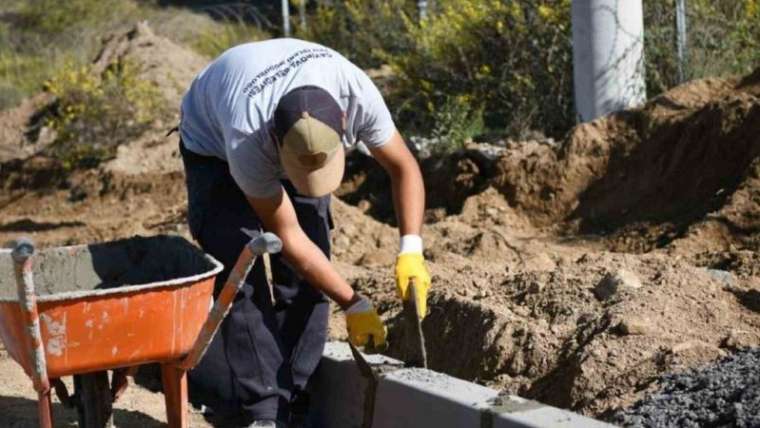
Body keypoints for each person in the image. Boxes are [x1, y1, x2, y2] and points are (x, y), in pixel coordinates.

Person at [177, 38, 431, 427]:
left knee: (311, 274)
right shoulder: (248, 138)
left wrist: (411, 249)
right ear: (277, 143)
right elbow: (288, 237)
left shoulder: (355, 90)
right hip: (212, 146)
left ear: (344, 123)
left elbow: (404, 167)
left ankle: (292, 396)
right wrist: (354, 303)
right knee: (240, 271)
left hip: (279, 122)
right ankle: (263, 412)